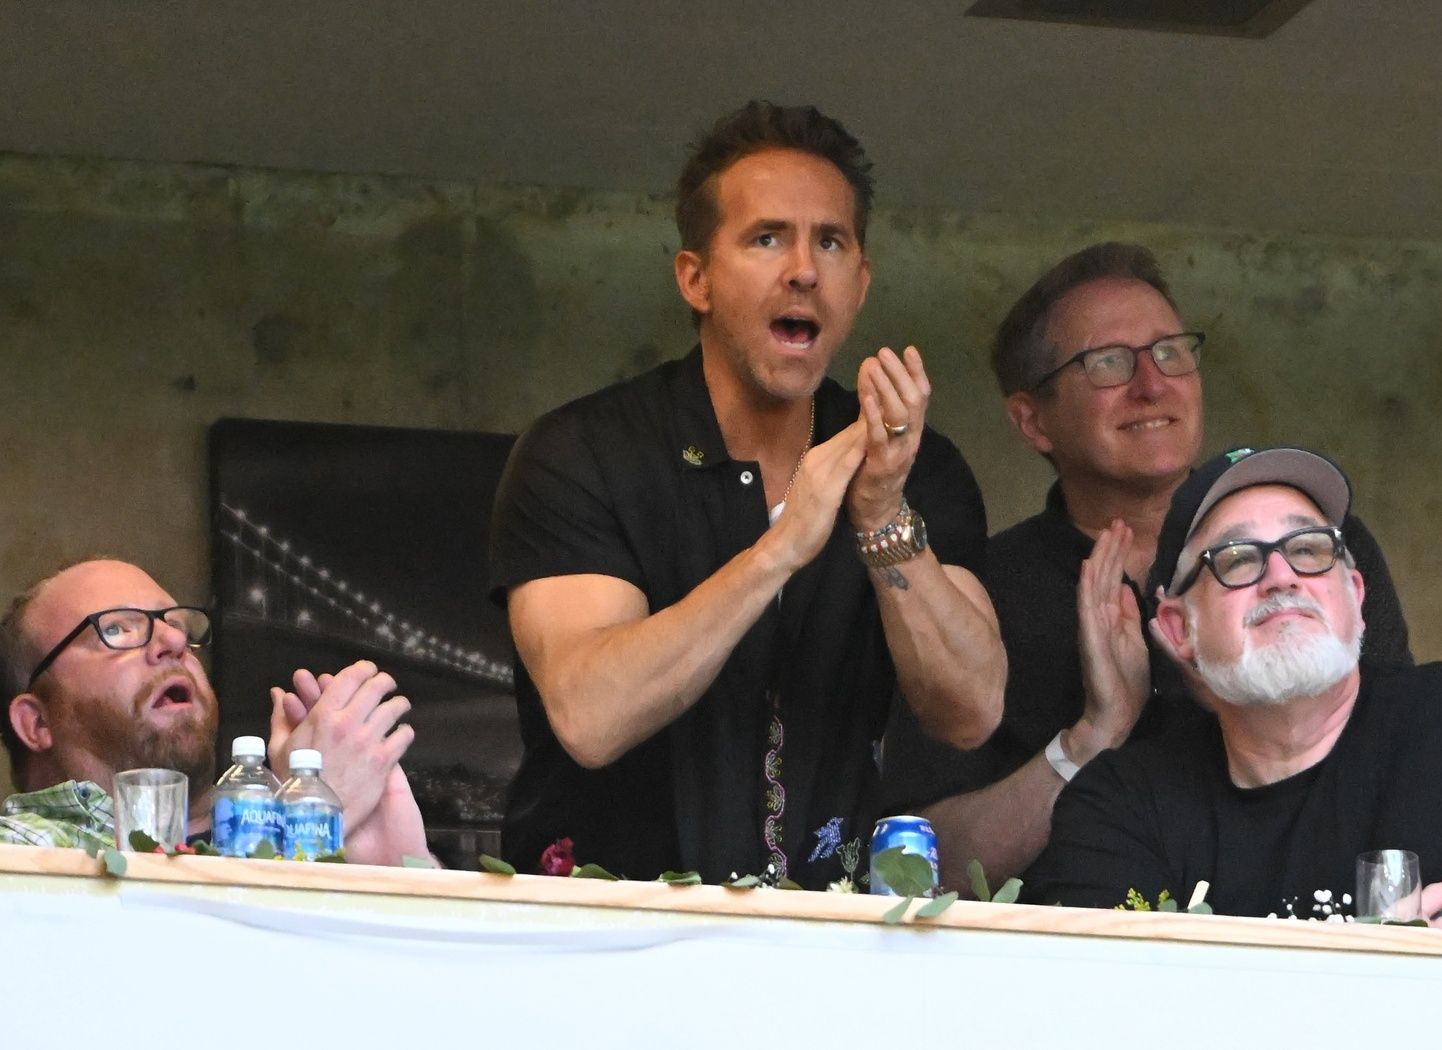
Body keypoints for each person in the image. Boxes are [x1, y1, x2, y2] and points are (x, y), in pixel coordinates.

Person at [489, 100, 1004, 887]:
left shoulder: (912, 468)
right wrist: (778, 552)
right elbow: (590, 716)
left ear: (859, 283)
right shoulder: (583, 452)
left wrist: (881, 516)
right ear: (694, 277)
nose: (803, 269)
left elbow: (971, 709)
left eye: (829, 241)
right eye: (767, 238)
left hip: (826, 944)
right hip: (603, 939)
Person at [880, 242, 1413, 891]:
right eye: (1107, 363)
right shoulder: (982, 587)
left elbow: (1396, 766)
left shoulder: (1314, 549)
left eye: (1171, 351)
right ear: (1033, 421)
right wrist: (1091, 739)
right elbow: (916, 869)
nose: (1152, 384)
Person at [1025, 446, 1442, 927]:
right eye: (1237, 559)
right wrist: (1381, 961)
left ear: (1356, 595)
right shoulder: (1119, 803)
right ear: (1178, 630)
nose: (1282, 576)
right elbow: (1117, 1012)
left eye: (1309, 548)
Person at [0, 558, 429, 866]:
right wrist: (301, 830)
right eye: (115, 629)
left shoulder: (249, 820)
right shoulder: (20, 849)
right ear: (36, 723)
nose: (173, 641)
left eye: (179, 627)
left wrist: (405, 873)